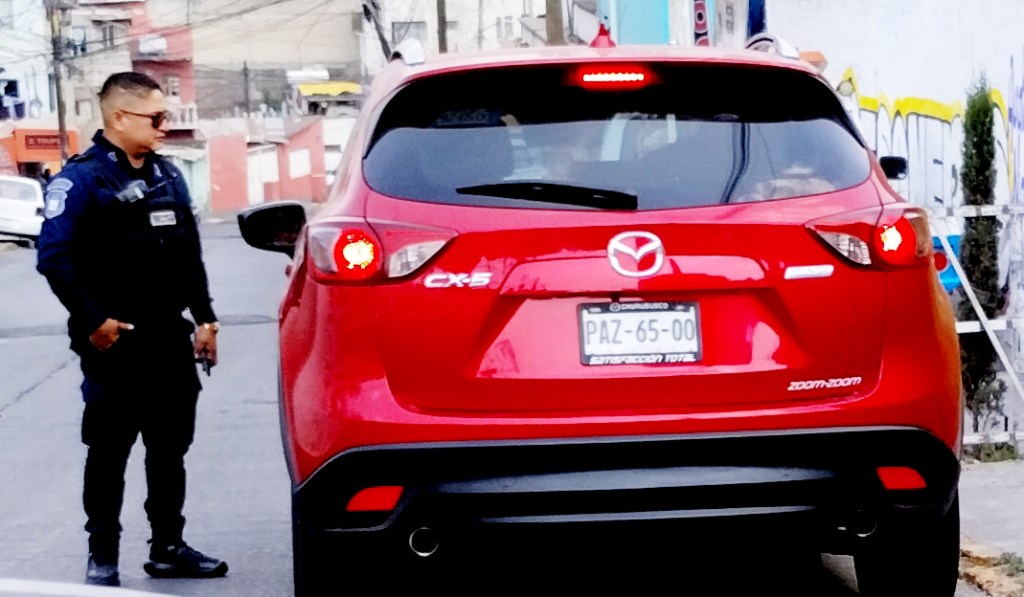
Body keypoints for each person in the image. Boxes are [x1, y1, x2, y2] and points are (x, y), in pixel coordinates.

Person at [35, 72, 227, 587]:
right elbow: (54, 257)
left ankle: (168, 546)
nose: (165, 126)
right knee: (108, 453)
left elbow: (188, 257)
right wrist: (92, 320)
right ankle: (102, 555)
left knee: (169, 451)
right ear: (119, 118)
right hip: (114, 344)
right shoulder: (81, 181)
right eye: (156, 117)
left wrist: (205, 319)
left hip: (168, 341)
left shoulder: (168, 176)